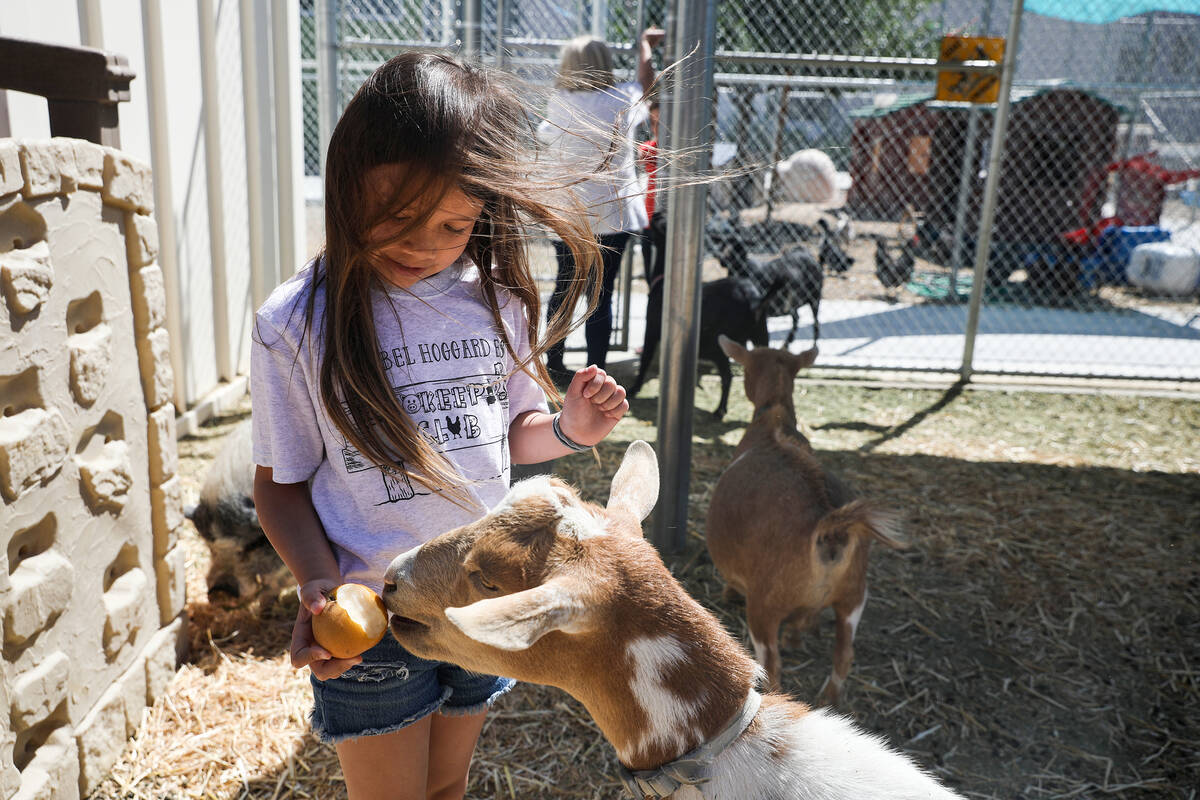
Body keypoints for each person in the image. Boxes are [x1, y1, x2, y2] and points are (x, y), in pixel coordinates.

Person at [250, 52, 629, 800]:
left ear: (482, 214)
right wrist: (319, 585)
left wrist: (570, 429)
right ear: (348, 182)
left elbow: (510, 432)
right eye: (397, 217)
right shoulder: (295, 322)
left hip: (477, 601)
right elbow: (280, 487)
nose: (424, 244)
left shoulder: (498, 302)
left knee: (448, 787)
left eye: (453, 224)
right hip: (376, 619)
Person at [539, 26, 665, 384]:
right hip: (614, 214)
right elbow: (647, 85)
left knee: (565, 287)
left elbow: (546, 137)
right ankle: (597, 370)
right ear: (604, 64)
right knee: (601, 293)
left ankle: (555, 363)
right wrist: (644, 46)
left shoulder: (560, 101)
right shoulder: (620, 98)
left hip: (570, 214)